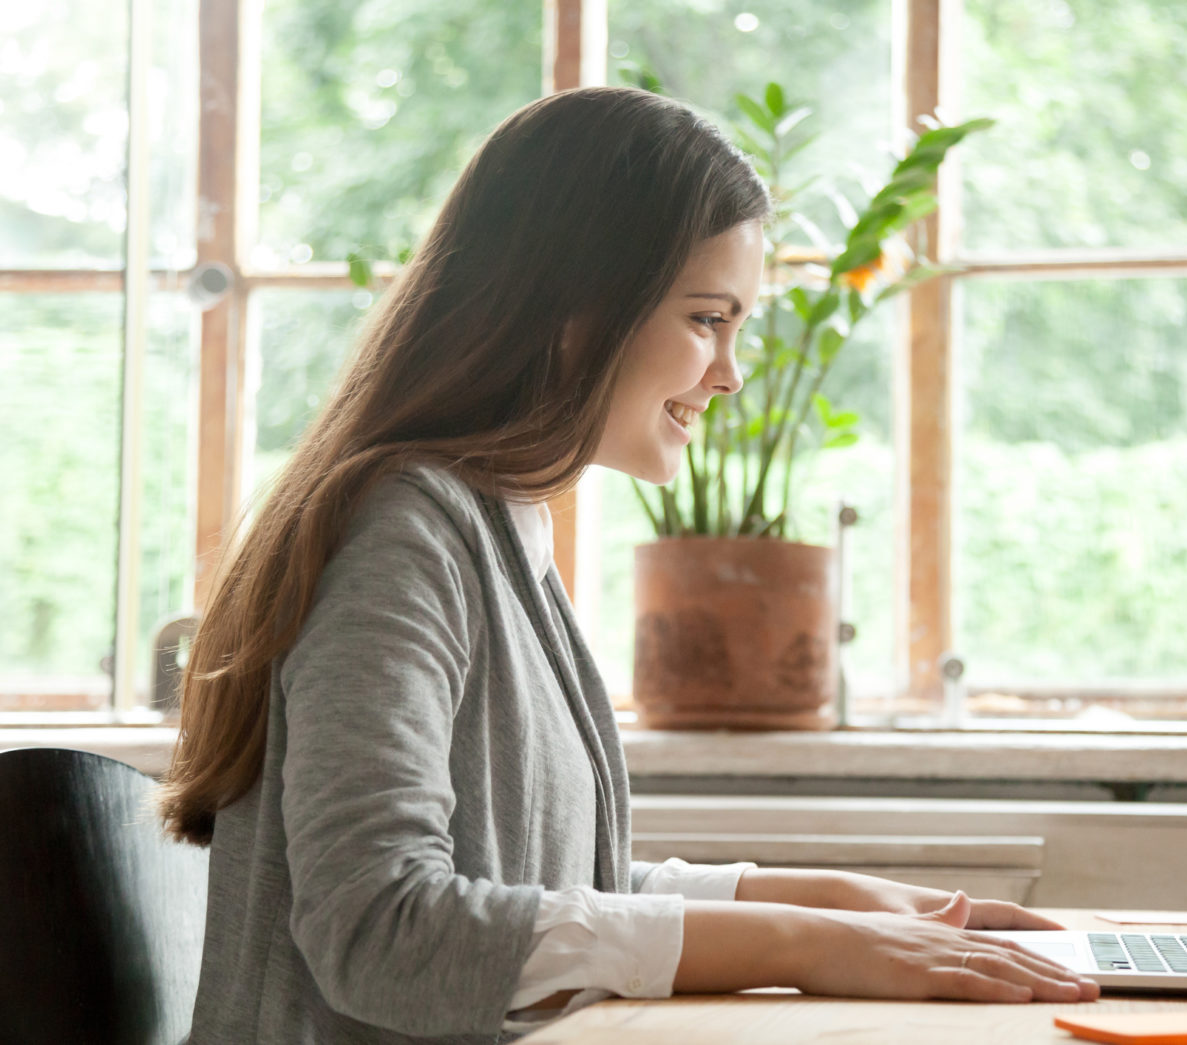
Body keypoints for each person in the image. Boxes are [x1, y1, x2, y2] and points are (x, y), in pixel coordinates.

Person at [159, 86, 1098, 1043]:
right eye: (706, 318)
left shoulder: (500, 518)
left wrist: (834, 903)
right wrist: (801, 943)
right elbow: (382, 932)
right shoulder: (400, 533)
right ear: (574, 309)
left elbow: (548, 888)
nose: (730, 372)